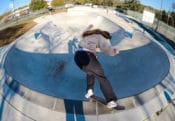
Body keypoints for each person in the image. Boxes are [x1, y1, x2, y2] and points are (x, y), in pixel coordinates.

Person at [74, 24, 120, 108]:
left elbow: (83, 33)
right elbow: (107, 50)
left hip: (77, 57)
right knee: (101, 77)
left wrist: (89, 27)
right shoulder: (101, 37)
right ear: (106, 36)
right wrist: (115, 51)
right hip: (87, 56)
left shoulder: (88, 34)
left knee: (90, 72)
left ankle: (89, 90)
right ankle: (111, 100)